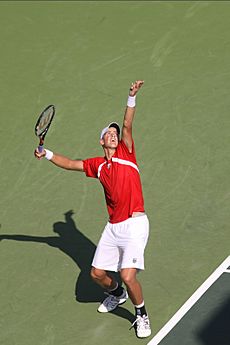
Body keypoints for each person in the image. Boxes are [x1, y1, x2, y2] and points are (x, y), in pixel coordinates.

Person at [34, 80, 151, 338]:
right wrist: (48, 153)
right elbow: (71, 164)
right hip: (113, 226)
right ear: (101, 141)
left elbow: (128, 124)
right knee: (97, 274)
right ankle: (117, 294)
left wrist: (131, 97)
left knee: (128, 274)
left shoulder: (126, 152)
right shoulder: (98, 166)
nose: (114, 133)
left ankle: (141, 314)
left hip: (134, 223)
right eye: (109, 133)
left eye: (115, 132)